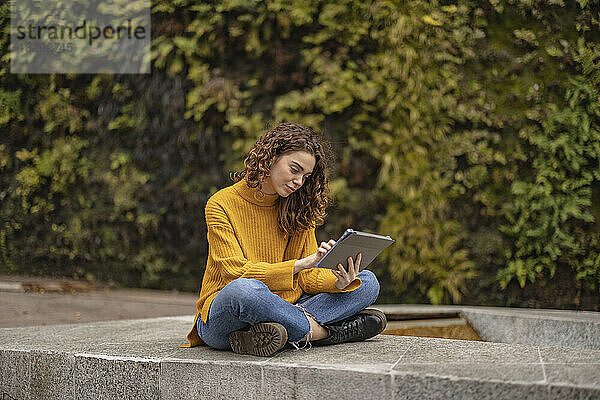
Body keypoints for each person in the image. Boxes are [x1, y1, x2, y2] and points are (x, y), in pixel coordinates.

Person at [180, 122, 387, 356]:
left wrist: (338, 282)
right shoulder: (221, 204)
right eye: (294, 169)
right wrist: (300, 264)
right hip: (226, 316)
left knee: (367, 282)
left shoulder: (298, 207)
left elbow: (307, 278)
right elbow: (234, 273)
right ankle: (323, 333)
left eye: (306, 176)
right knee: (245, 290)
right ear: (270, 157)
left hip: (285, 308)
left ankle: (280, 331)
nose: (299, 182)